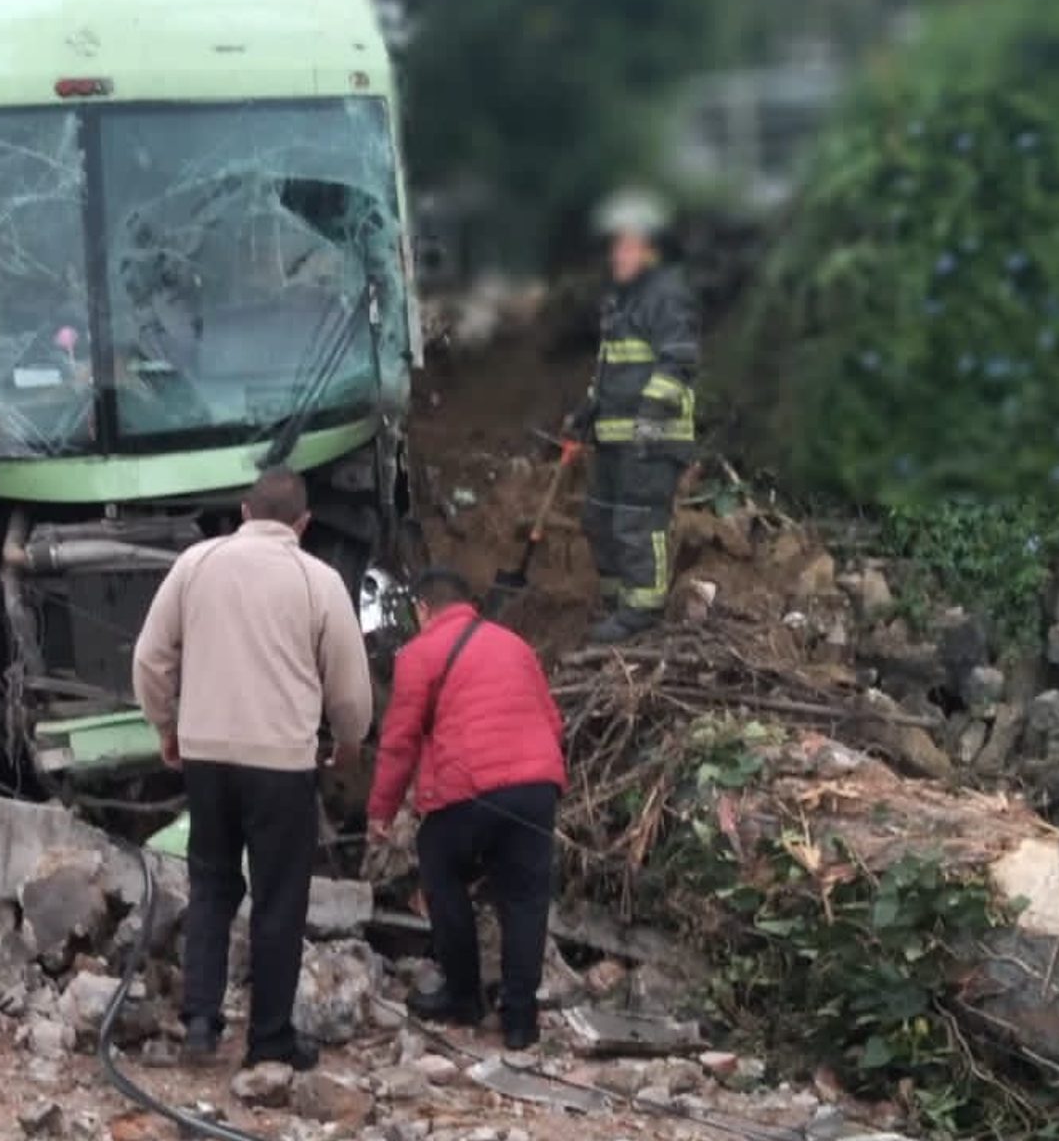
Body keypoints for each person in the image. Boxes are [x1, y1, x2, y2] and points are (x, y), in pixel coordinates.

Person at [132, 466, 373, 1070]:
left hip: (207, 756)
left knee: (211, 886)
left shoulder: (196, 565)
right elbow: (348, 690)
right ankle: (269, 1040)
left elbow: (151, 657)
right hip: (283, 763)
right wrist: (348, 744)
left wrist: (167, 727)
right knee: (278, 898)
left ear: (243, 511)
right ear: (304, 523)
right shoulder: (317, 580)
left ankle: (199, 1025)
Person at [366, 569, 566, 1051]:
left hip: (467, 790)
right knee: (524, 899)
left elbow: (399, 742)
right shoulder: (514, 644)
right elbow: (552, 722)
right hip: (535, 787)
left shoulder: (419, 654)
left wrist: (381, 811)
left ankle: (463, 997)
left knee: (442, 877)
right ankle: (520, 1021)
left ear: (422, 610)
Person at [563, 188, 701, 644]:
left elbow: (678, 360)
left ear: (650, 249)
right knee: (600, 519)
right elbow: (611, 370)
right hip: (616, 437)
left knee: (638, 523)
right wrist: (589, 410)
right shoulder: (621, 300)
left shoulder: (665, 296)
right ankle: (616, 605)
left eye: (627, 245)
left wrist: (650, 419)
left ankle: (641, 615)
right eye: (615, 245)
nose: (617, 254)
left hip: (651, 438)